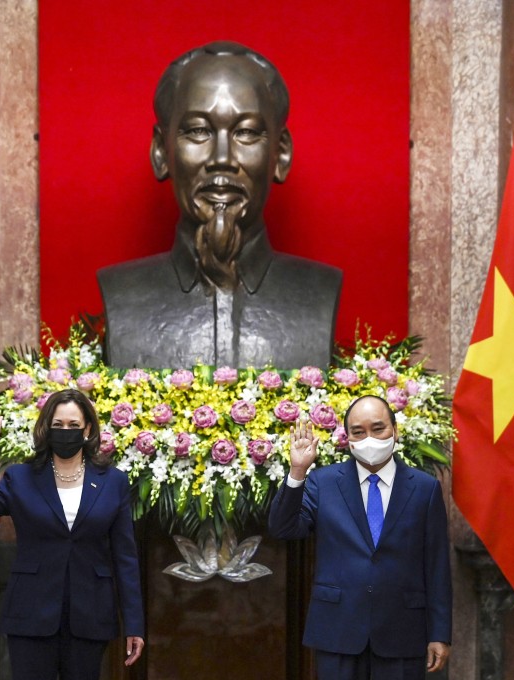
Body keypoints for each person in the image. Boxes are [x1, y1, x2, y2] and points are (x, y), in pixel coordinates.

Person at [97, 41, 341, 369]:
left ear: (281, 154)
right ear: (160, 151)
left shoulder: (319, 293)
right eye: (198, 131)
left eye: (246, 133)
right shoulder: (123, 294)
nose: (222, 159)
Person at [0, 389, 145, 680]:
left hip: (90, 615)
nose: (65, 432)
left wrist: (133, 623)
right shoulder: (20, 477)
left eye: (73, 425)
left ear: (88, 429)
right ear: (46, 428)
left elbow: (125, 558)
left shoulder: (113, 482)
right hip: (30, 613)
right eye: (58, 425)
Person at [268, 395, 451, 679]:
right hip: (338, 630)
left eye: (378, 429)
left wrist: (439, 632)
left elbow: (437, 564)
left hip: (402, 631)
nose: (369, 438)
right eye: (358, 432)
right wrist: (297, 471)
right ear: (348, 438)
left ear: (395, 430)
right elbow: (283, 528)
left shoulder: (424, 488)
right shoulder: (323, 482)